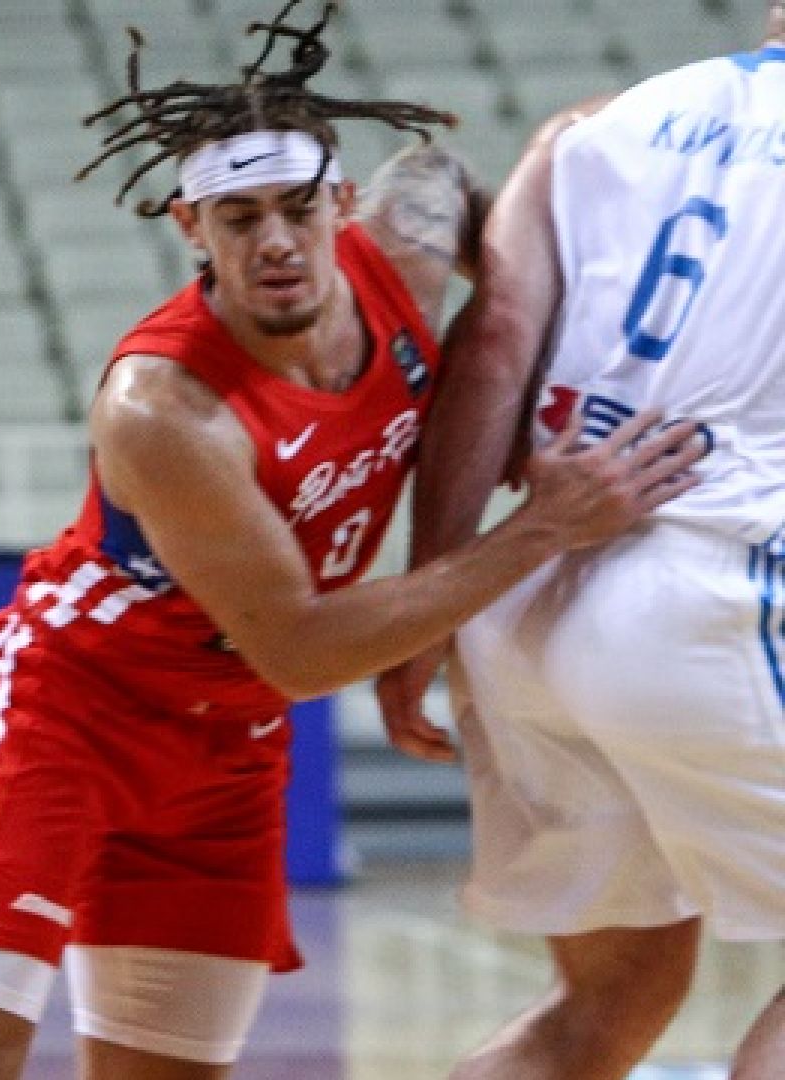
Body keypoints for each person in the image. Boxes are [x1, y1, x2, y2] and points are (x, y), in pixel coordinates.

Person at [0, 3, 705, 1078]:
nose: (275, 242)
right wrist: (542, 525)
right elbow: (301, 649)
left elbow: (500, 219)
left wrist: (539, 384)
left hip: (231, 745)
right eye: (239, 218)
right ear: (191, 229)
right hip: (74, 710)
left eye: (296, 209)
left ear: (344, 203)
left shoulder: (414, 238)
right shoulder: (164, 404)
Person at [374, 4, 785, 1077]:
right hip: (717, 593)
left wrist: (434, 604)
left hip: (531, 602)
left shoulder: (591, 127)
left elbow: (495, 344)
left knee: (604, 1005)